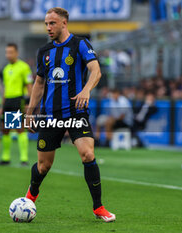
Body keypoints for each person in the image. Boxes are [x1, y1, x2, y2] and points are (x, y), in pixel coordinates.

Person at [24, 7, 115, 222]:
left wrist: (86, 90)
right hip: (50, 115)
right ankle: (30, 196)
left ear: (64, 23)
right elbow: (39, 83)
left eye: (52, 23)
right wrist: (30, 112)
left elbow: (96, 70)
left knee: (88, 155)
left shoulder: (80, 44)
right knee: (44, 166)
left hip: (76, 111)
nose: (48, 27)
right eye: (46, 23)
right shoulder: (44, 52)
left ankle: (98, 207)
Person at [0, 43, 33, 166]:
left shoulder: (23, 67)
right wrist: (2, 106)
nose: (8, 55)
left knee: (19, 128)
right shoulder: (6, 69)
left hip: (18, 99)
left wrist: (29, 103)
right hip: (8, 100)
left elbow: (29, 85)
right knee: (5, 129)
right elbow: (6, 88)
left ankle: (24, 158)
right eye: (7, 52)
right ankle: (5, 158)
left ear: (16, 53)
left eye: (11, 52)